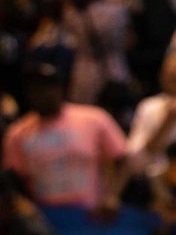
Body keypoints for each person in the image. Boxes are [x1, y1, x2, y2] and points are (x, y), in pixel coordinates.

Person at [3, 58, 128, 217]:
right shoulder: (17, 133)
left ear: (61, 88)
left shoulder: (94, 118)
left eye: (47, 87)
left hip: (91, 215)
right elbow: (13, 178)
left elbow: (123, 159)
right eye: (35, 88)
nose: (41, 94)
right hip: (44, 218)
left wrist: (112, 197)